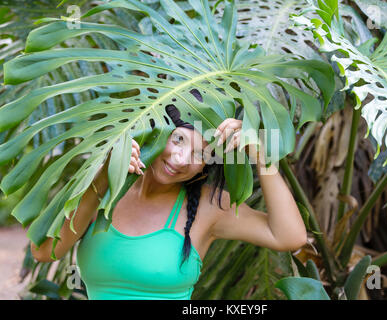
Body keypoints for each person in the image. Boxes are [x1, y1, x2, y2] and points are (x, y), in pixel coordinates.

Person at [30, 104, 307, 300]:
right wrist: (104, 176)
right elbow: (44, 251)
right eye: (178, 140)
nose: (182, 159)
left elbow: (289, 237)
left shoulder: (209, 208)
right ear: (158, 131)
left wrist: (259, 155)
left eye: (200, 154)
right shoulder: (105, 190)